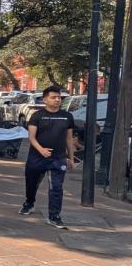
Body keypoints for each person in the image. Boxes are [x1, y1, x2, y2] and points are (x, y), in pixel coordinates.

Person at [19, 84, 76, 229]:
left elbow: (69, 139)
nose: (57, 100)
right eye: (53, 97)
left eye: (59, 97)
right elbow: (31, 137)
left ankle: (54, 216)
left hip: (58, 158)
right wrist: (41, 150)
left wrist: (71, 158)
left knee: (56, 188)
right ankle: (29, 203)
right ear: (45, 99)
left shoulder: (67, 116)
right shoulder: (37, 116)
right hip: (37, 157)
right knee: (32, 183)